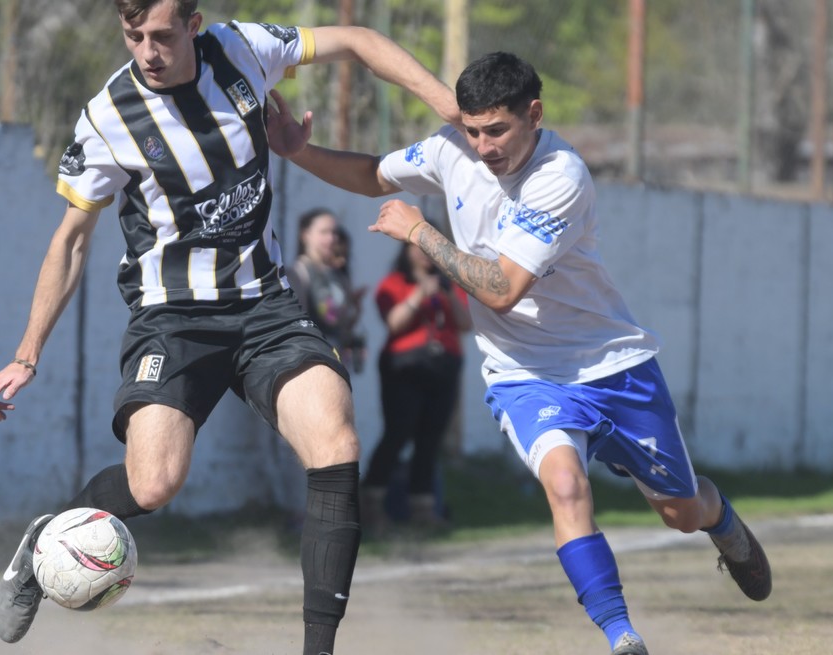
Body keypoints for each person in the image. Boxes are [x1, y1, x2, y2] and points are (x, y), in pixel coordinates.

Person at [0, 2, 457, 653]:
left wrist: (444, 102)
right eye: (134, 35)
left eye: (163, 35)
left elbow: (358, 40)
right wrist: (25, 354)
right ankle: (48, 532)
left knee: (335, 440)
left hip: (266, 308)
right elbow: (71, 241)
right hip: (172, 321)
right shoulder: (108, 117)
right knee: (153, 483)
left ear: (195, 24)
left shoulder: (243, 51)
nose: (148, 49)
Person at [266, 51, 771, 655]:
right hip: (526, 374)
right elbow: (374, 172)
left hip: (611, 364)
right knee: (565, 485)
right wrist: (298, 151)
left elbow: (502, 289)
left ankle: (718, 517)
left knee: (679, 512)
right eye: (473, 130)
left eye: (497, 130)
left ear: (534, 114)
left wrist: (422, 233)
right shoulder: (454, 148)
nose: (482, 146)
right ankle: (622, 637)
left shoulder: (561, 176)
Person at [361, 240, 470, 532]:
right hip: (404, 366)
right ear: (406, 250)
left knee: (430, 438)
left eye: (431, 246)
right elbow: (394, 323)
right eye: (419, 246)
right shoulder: (394, 283)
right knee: (398, 433)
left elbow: (466, 323)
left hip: (444, 365)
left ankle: (423, 509)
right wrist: (420, 292)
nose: (425, 253)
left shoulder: (451, 283)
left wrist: (447, 291)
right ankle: (372, 505)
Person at [289, 208, 367, 373]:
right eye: (323, 232)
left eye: (334, 232)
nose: (331, 238)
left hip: (336, 364)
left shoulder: (336, 275)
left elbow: (340, 324)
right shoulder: (296, 275)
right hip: (310, 367)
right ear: (305, 235)